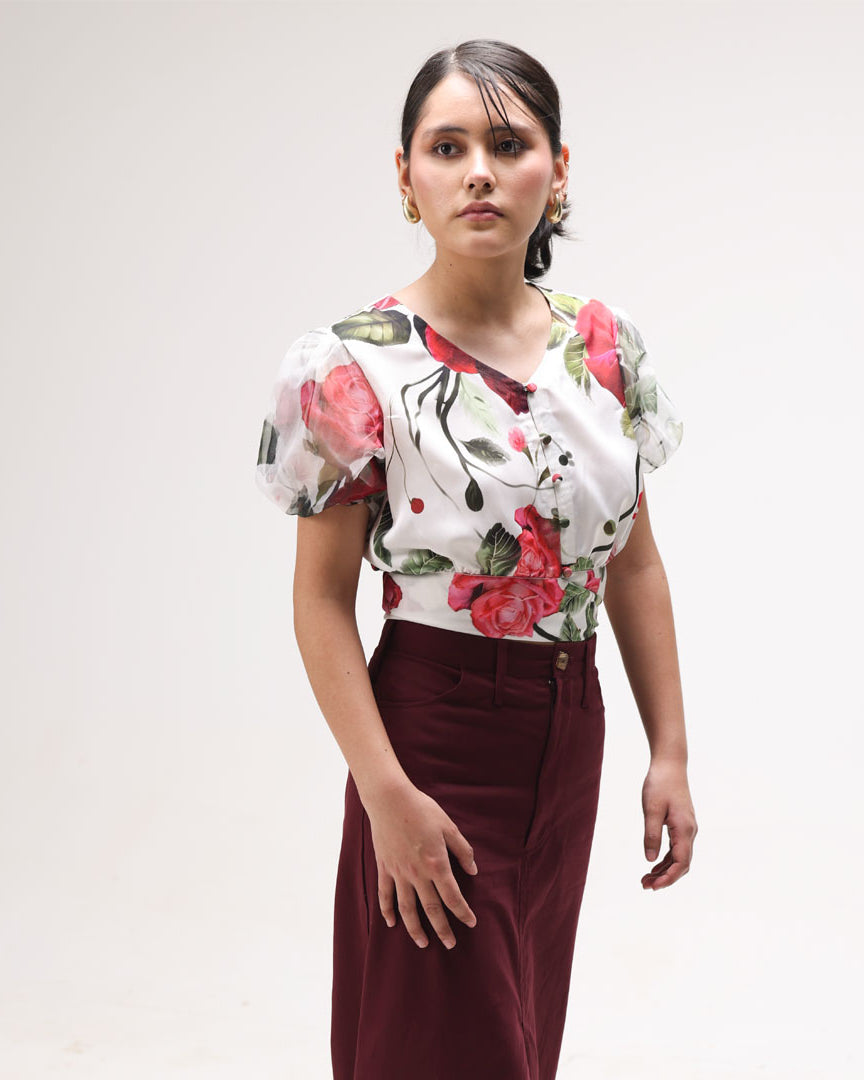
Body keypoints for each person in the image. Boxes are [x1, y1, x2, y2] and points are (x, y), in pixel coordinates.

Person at [255, 38, 697, 1080]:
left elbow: (633, 565)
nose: (480, 174)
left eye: (509, 144)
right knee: (439, 1046)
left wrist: (669, 751)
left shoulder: (606, 347)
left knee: (521, 1039)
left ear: (559, 166)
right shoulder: (352, 361)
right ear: (406, 175)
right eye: (447, 148)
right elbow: (320, 601)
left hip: (569, 732)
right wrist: (385, 794)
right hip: (433, 740)